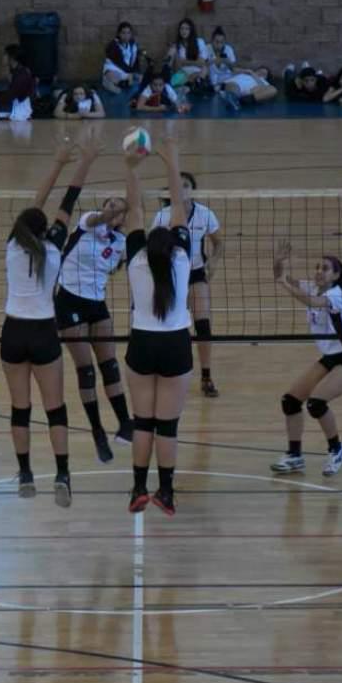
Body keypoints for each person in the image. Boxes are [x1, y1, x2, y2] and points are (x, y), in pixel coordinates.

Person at [0, 138, 99, 505]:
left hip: (13, 333)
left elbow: (36, 205)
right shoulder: (55, 249)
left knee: (20, 408)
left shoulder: (12, 246)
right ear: (45, 231)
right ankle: (62, 474)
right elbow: (67, 203)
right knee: (55, 408)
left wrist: (57, 162)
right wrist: (83, 162)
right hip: (43, 332)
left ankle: (25, 472)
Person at [121, 137, 192, 515]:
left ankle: (137, 488)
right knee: (168, 425)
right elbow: (179, 206)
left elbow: (134, 208)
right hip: (176, 345)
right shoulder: (181, 260)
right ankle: (166, 492)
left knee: (142, 421)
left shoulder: (135, 260)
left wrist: (131, 168)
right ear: (174, 246)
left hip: (142, 345)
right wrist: (172, 161)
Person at [269, 244, 342, 477]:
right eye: (318, 267)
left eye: (326, 269)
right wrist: (278, 262)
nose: (319, 271)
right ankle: (294, 456)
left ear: (336, 276)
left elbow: (311, 302)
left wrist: (284, 283)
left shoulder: (335, 296)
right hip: (329, 357)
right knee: (290, 401)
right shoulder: (314, 288)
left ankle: (337, 449)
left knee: (316, 403)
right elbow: (281, 276)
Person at [56, 194, 135, 463]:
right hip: (69, 302)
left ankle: (125, 424)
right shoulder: (88, 221)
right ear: (103, 207)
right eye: (112, 206)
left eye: (121, 211)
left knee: (110, 365)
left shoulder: (121, 243)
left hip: (96, 304)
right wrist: (110, 214)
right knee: (86, 370)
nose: (115, 212)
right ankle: (97, 431)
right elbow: (102, 218)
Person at [151, 172, 224, 399]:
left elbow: (219, 242)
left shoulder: (205, 214)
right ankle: (162, 371)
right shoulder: (162, 216)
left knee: (202, 324)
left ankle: (206, 376)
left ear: (193, 189)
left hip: (195, 274)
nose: (182, 189)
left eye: (186, 185)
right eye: (177, 185)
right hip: (170, 276)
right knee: (167, 324)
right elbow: (152, 247)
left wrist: (212, 262)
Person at [0, 44, 35, 120]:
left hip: (21, 114)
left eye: (5, 54)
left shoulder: (21, 75)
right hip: (18, 111)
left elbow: (10, 96)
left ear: (12, 58)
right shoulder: (18, 72)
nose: (3, 57)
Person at [164, 17, 210, 90]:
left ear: (191, 30)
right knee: (171, 83)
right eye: (182, 29)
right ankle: (189, 85)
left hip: (197, 72)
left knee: (203, 70)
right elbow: (177, 66)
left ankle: (193, 85)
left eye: (187, 29)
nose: (184, 31)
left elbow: (201, 63)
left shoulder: (199, 42)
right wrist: (171, 54)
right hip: (183, 73)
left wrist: (184, 62)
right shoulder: (177, 45)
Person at [102, 22, 148, 94]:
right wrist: (129, 74)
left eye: (128, 33)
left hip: (128, 71)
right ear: (119, 34)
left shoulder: (133, 45)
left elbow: (134, 61)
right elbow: (119, 62)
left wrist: (136, 73)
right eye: (123, 33)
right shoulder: (113, 45)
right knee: (113, 78)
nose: (126, 35)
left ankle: (124, 84)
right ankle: (115, 84)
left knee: (141, 78)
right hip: (114, 68)